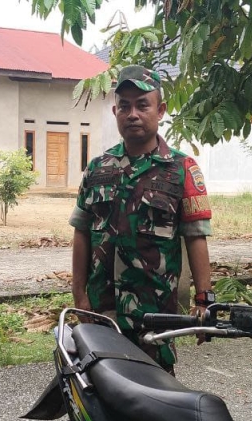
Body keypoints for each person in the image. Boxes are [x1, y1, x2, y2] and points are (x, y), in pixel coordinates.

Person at [70, 65, 214, 374]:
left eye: (142, 104)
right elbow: (81, 232)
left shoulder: (181, 169)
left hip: (156, 318)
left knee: (156, 405)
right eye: (125, 106)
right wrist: (79, 295)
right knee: (102, 397)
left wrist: (204, 300)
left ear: (160, 110)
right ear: (115, 111)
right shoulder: (97, 168)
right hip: (102, 313)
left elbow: (196, 237)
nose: (132, 113)